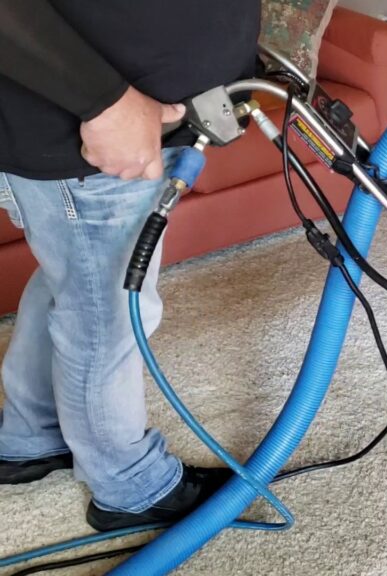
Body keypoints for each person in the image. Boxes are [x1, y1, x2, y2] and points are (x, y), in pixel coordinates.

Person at [0, 0, 261, 531]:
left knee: (77, 280)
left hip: (137, 117)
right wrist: (104, 103)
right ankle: (129, 486)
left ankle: (29, 435)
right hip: (87, 125)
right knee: (107, 312)